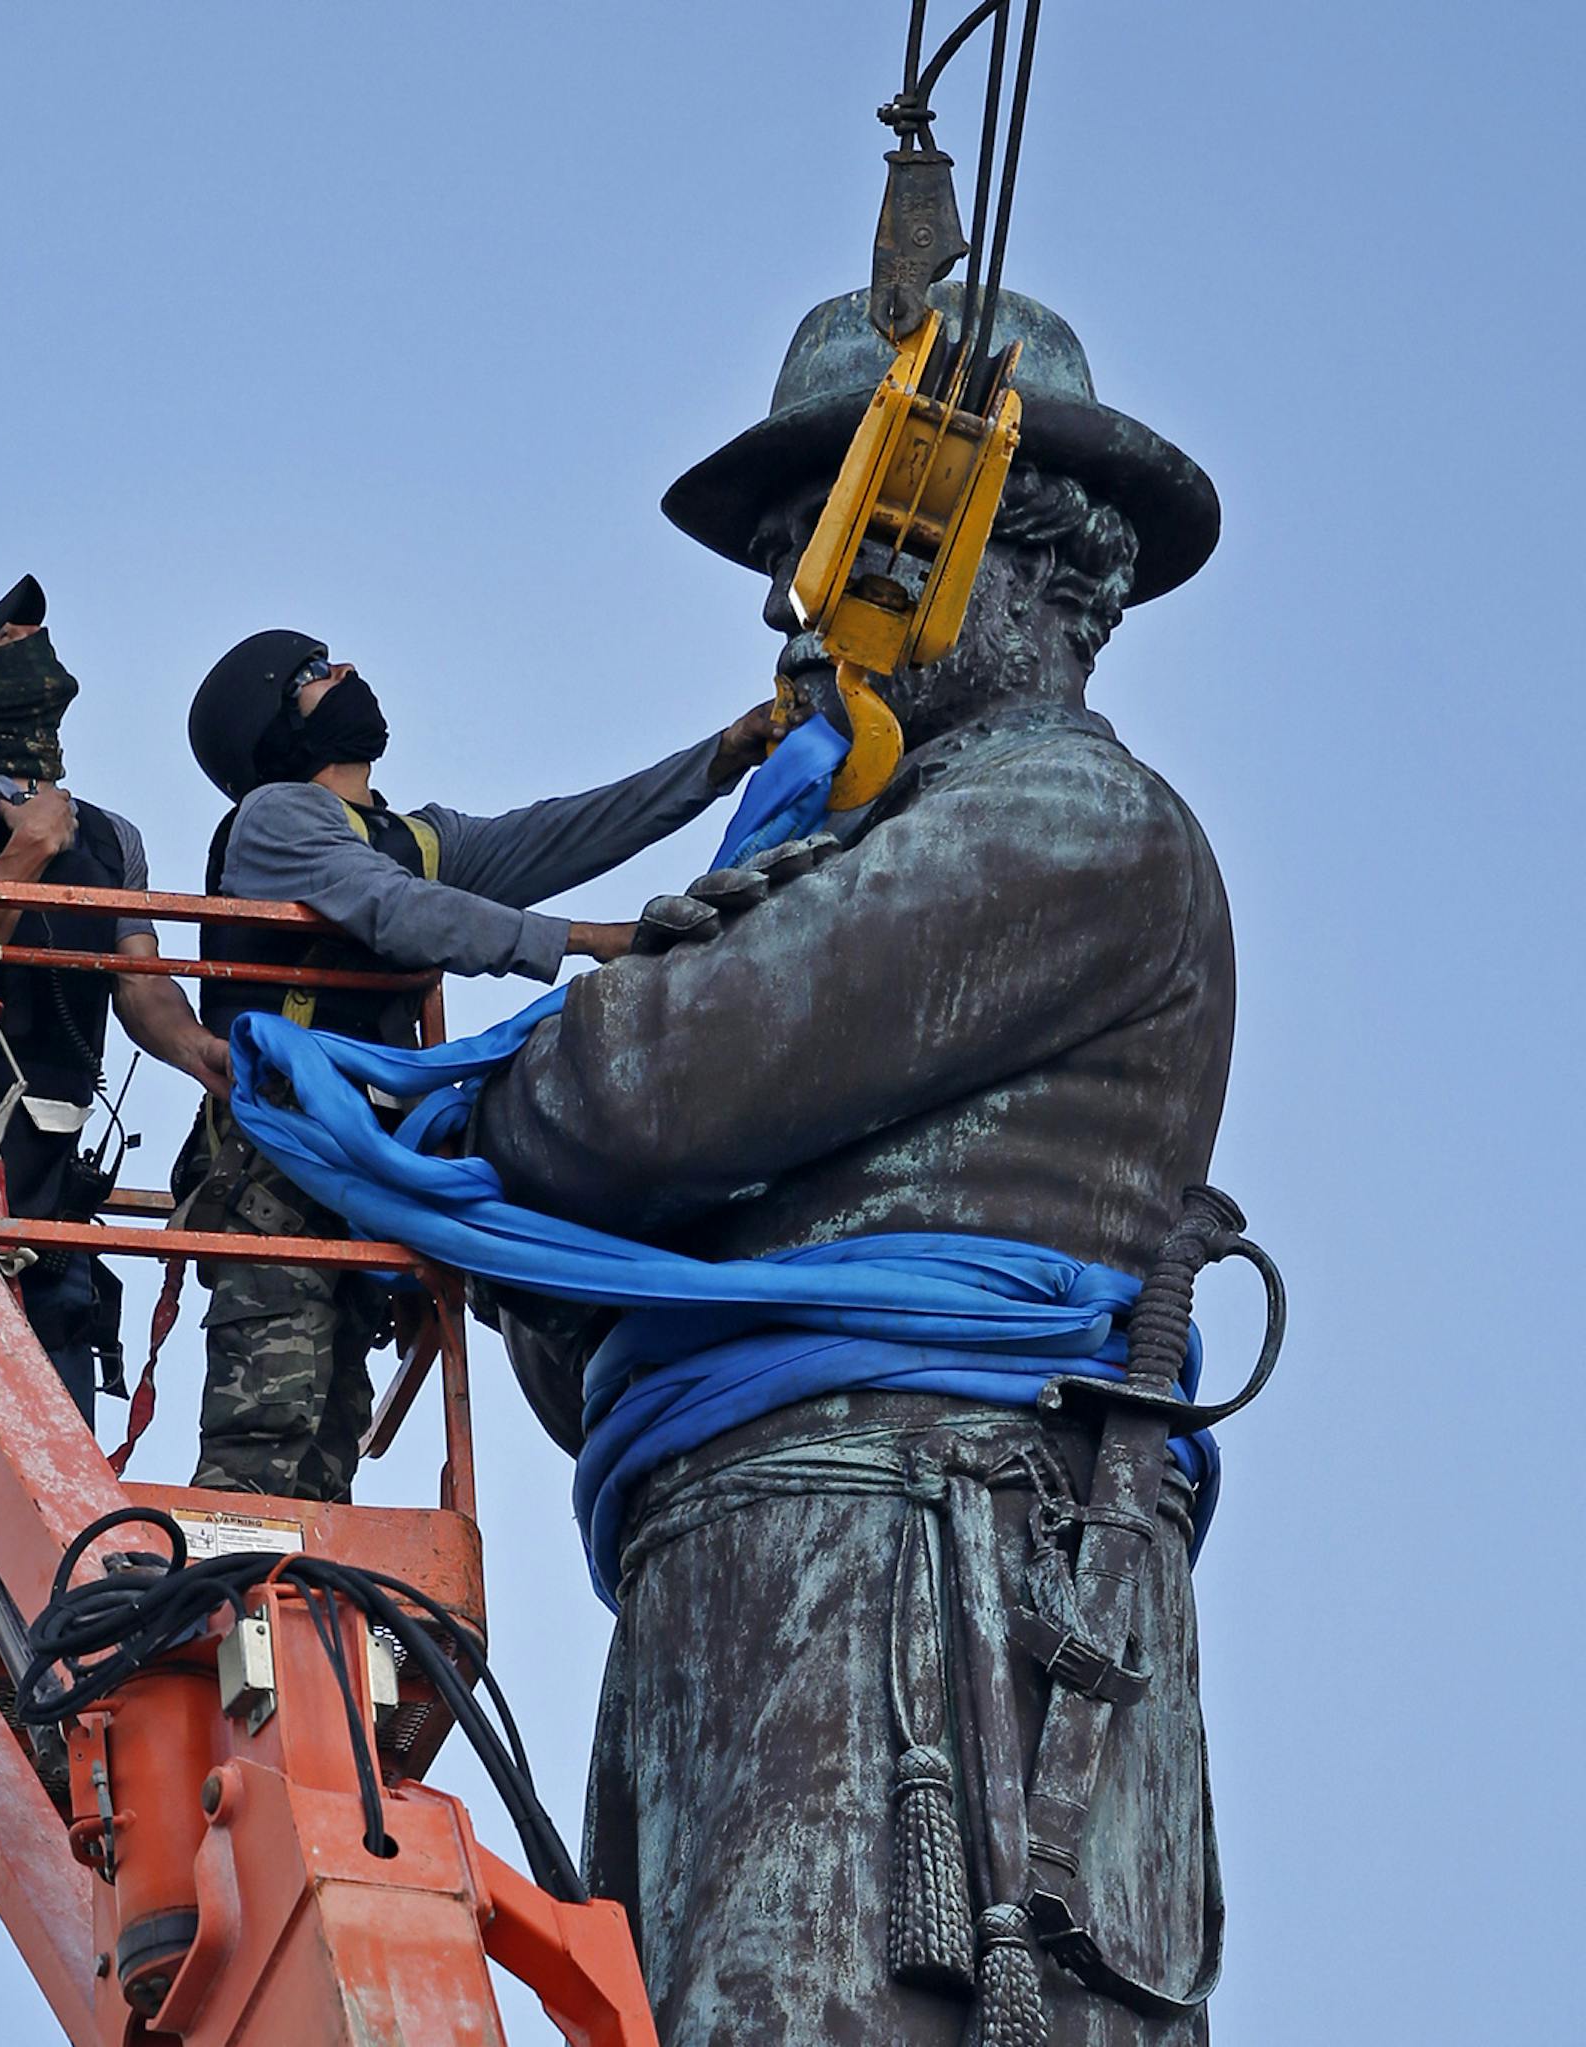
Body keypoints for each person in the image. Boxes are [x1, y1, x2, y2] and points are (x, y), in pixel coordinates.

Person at [473, 285, 1234, 2044]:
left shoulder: (1061, 818)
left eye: (832, 543)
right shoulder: (876, 840)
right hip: (776, 1598)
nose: (785, 608)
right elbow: (570, 1298)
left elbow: (614, 1107)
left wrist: (566, 1120)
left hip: (923, 1604)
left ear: (1001, 544)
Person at [178, 629, 776, 1501]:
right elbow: (400, 913)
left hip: (365, 1171)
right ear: (270, 726)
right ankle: (218, 1588)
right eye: (311, 675)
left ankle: (292, 1596)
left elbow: (563, 832)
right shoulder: (275, 820)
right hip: (280, 1169)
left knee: (327, 1439)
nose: (343, 673)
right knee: (266, 1432)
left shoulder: (409, 836)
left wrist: (718, 759)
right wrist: (587, 940)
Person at [0, 573, 227, 1420]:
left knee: (60, 1412)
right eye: (9, 644)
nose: (36, 650)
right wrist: (27, 853)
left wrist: (204, 1055)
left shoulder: (113, 836)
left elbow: (141, 990)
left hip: (53, 1167)